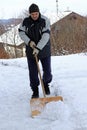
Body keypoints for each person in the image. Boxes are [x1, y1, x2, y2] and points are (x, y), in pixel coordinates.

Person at [18, 3, 52, 98]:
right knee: (33, 74)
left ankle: (45, 84)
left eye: (36, 14)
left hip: (44, 50)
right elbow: (21, 32)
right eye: (32, 14)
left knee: (48, 72)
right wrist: (29, 42)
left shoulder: (45, 20)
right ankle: (35, 90)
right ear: (30, 14)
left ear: (38, 12)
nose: (34, 16)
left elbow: (46, 36)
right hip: (31, 51)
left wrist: (38, 48)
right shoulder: (25, 21)